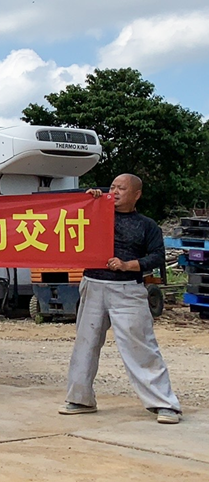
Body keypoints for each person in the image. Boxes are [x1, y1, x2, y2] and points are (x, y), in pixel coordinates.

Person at [60, 173, 181, 424]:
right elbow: (68, 224)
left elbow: (157, 256)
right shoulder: (94, 215)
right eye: (112, 187)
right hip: (93, 285)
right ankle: (80, 399)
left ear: (136, 195)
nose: (114, 192)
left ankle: (164, 404)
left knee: (140, 346)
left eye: (121, 189)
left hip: (128, 290)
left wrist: (128, 265)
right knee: (85, 344)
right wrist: (88, 202)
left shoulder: (147, 225)